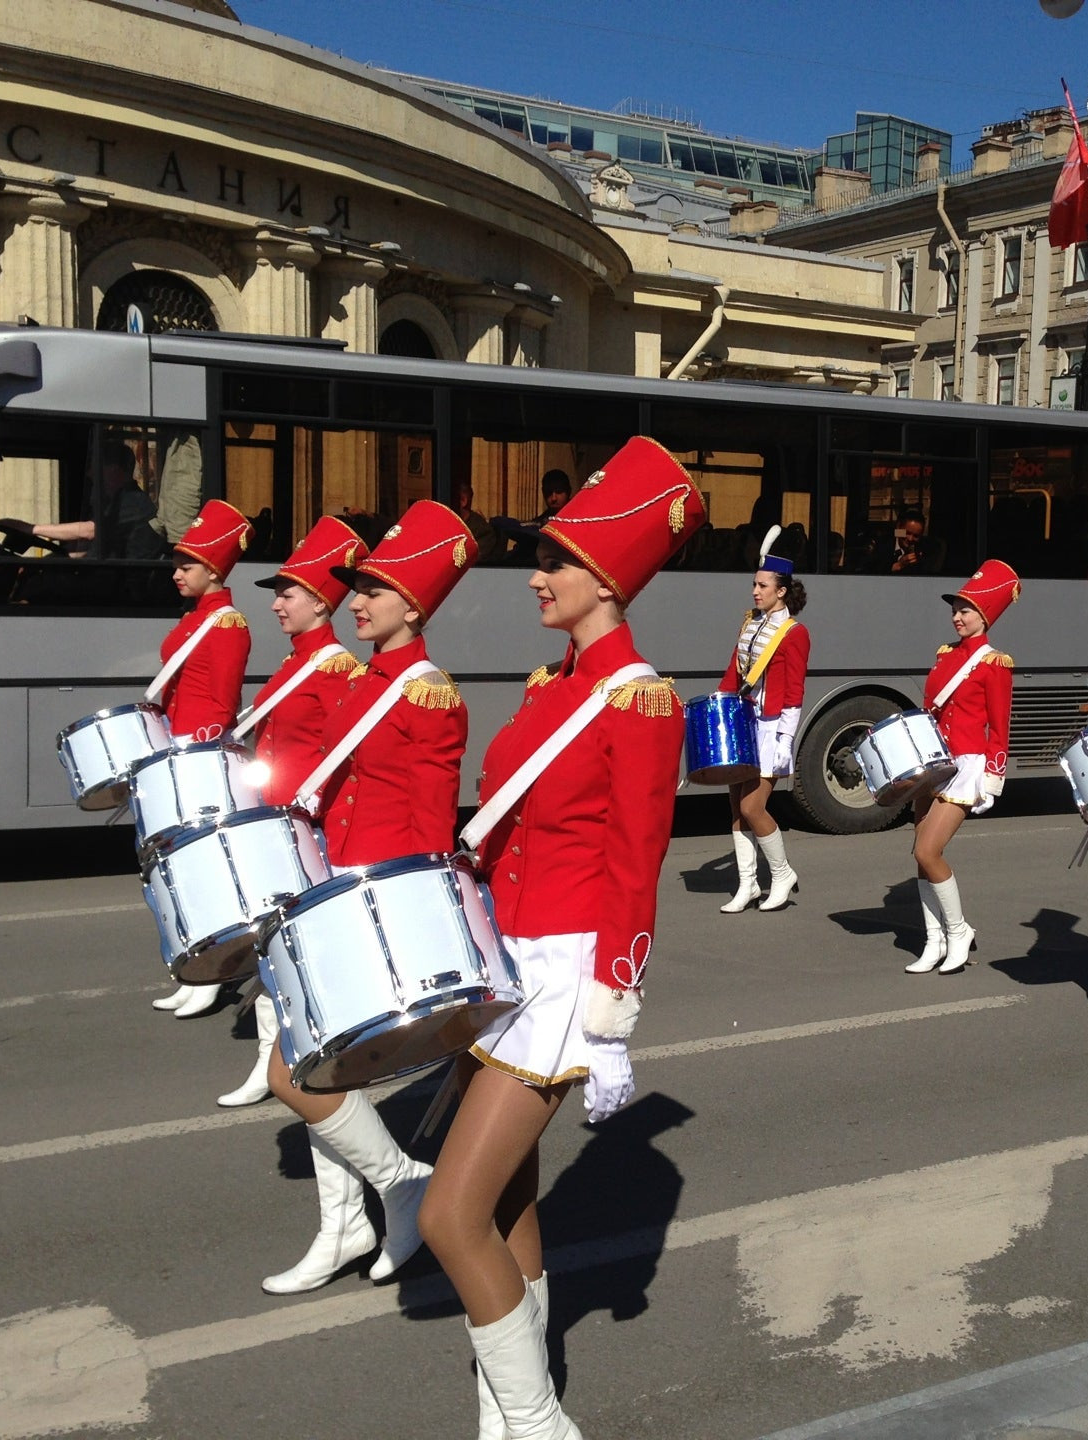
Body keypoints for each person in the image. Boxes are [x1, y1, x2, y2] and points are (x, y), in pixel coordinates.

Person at [420, 438, 703, 1440]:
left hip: (566, 972)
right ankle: (510, 1409)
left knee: (446, 1216)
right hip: (507, 958)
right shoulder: (552, 687)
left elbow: (637, 861)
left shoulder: (641, 699)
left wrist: (613, 1001)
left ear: (605, 579)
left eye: (555, 561)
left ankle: (538, 1423)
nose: (536, 577)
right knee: (505, 1204)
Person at [259, 499, 475, 1294]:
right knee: (316, 1071)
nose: (355, 601)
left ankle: (398, 1183)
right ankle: (342, 1225)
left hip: (370, 905)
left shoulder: (426, 695)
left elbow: (427, 829)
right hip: (327, 888)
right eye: (354, 591)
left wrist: (405, 926)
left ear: (412, 607)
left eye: (372, 592)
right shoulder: (361, 679)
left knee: (298, 1074)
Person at [213, 516, 368, 1109]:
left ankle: (281, 1063)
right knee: (270, 950)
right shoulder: (292, 664)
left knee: (285, 953)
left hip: (306, 833)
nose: (277, 604)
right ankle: (276, 1060)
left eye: (289, 593)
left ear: (322, 602)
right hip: (274, 825)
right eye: (278, 593)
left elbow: (344, 760)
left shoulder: (335, 671)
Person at [149, 500, 253, 1019]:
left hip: (201, 757)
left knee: (206, 871)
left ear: (213, 570)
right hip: (177, 751)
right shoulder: (198, 619)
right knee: (181, 872)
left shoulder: (228, 624)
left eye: (186, 565)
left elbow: (222, 702)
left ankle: (214, 974)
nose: (176, 573)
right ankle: (192, 970)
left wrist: (196, 752)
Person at [902, 562, 1018, 976]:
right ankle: (933, 941)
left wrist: (993, 776)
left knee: (927, 850)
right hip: (933, 762)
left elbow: (1000, 727)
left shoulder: (995, 663)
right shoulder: (945, 654)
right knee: (918, 858)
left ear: (984, 616)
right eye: (955, 608)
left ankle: (958, 931)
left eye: (966, 609)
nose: (957, 615)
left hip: (967, 765)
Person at [716, 527, 811, 913]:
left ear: (782, 590)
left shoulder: (794, 633)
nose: (755, 591)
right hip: (744, 721)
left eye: (762, 586)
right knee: (737, 808)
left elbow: (794, 690)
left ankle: (782, 872)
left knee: (755, 807)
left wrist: (786, 738)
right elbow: (733, 672)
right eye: (754, 585)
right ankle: (747, 885)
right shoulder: (750, 623)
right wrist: (720, 705)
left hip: (772, 726)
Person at [29, 442, 159, 558]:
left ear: (114, 470)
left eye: (97, 469)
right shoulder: (116, 500)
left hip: (129, 578)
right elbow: (93, 551)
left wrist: (33, 529)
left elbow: (89, 531)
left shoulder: (132, 501)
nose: (91, 474)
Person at [889, 508, 942, 575]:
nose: (910, 539)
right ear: (898, 527)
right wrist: (898, 565)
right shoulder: (882, 544)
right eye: (907, 533)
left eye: (916, 536)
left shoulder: (924, 550)